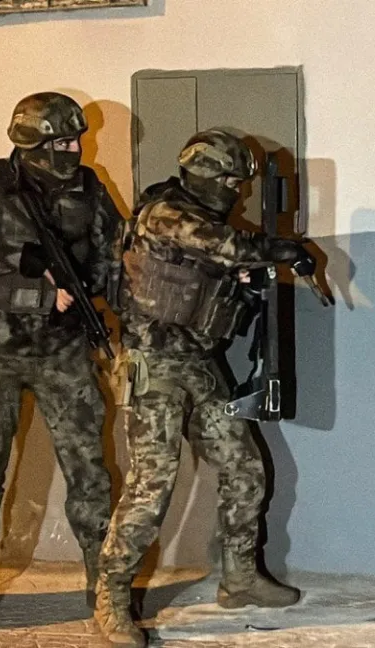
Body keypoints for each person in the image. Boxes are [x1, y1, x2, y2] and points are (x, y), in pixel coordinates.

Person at [93, 129, 311, 648]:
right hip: (153, 367)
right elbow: (230, 247)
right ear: (203, 175)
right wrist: (280, 249)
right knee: (151, 487)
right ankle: (111, 597)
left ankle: (240, 578)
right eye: (231, 181)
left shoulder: (198, 219)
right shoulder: (165, 215)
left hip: (198, 363)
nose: (237, 191)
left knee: (244, 466)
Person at [0, 92, 121, 618]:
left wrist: (114, 308)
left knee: (89, 469)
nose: (74, 151)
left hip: (63, 349)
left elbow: (113, 258)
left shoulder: (89, 189)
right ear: (32, 142)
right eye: (63, 143)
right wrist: (19, 260)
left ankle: (102, 582)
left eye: (77, 140)